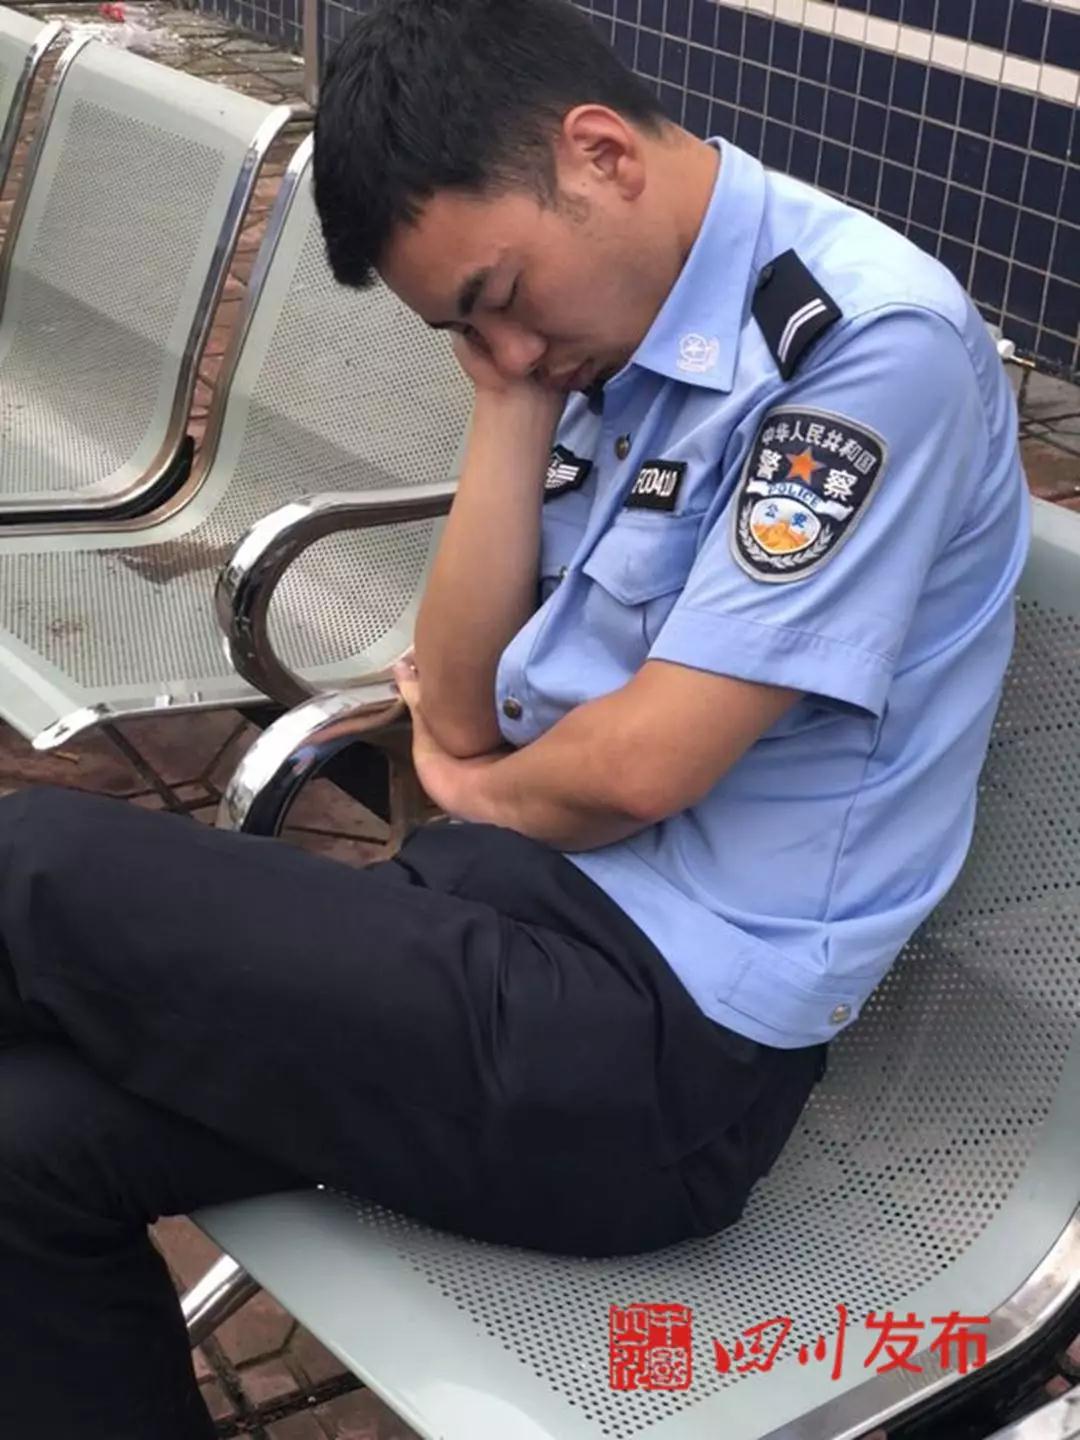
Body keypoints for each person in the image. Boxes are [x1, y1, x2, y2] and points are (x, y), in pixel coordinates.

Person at [0, 0, 1028, 1434]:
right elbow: (463, 688)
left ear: (600, 153)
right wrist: (508, 408)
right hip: (502, 929)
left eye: (500, 295)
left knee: (34, 866)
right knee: (24, 1151)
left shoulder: (858, 350)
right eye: (462, 328)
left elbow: (641, 766)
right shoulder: (590, 332)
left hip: (653, 1053)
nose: (507, 340)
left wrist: (472, 784)